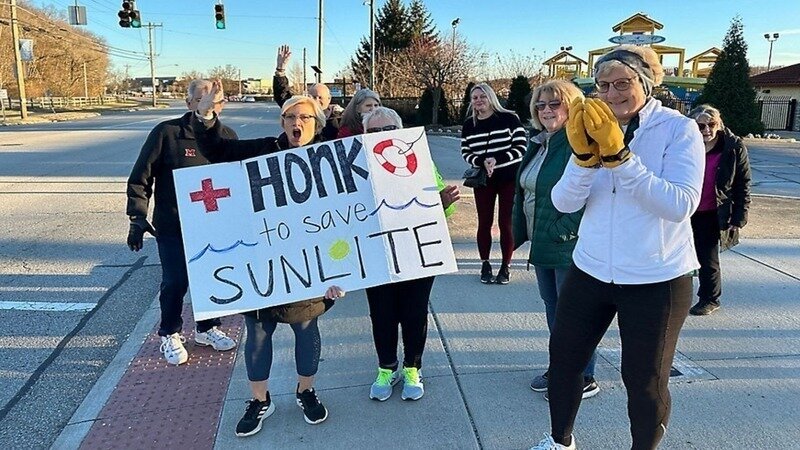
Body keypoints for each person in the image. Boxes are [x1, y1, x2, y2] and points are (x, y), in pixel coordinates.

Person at [529, 45, 704, 450]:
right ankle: (560, 441)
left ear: (645, 83)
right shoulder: (590, 124)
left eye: (622, 83)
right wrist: (584, 159)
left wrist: (621, 158)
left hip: (656, 276)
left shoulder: (678, 129)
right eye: (603, 85)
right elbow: (563, 202)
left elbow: (680, 205)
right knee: (564, 362)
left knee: (643, 381)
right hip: (590, 268)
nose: (611, 93)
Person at [190, 81, 345, 435]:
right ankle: (260, 400)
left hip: (308, 268)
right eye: (290, 117)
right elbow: (216, 149)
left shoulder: (330, 159)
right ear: (282, 122)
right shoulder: (262, 150)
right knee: (258, 334)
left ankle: (306, 391)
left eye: (305, 117)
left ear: (317, 123)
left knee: (306, 330)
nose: (297, 122)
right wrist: (207, 115)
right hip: (263, 266)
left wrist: (344, 270)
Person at [126, 79, 238, 366]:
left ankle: (207, 328)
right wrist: (137, 217)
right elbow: (141, 177)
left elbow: (237, 182)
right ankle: (170, 332)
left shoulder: (227, 136)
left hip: (212, 226)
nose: (209, 103)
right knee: (175, 281)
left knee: (210, 278)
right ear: (189, 103)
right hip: (173, 225)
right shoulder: (167, 133)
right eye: (202, 98)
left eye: (215, 99)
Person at [360, 107, 460, 402]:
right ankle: (386, 368)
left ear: (400, 131)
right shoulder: (356, 166)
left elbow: (443, 207)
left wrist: (443, 203)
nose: (382, 136)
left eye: (388, 130)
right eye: (374, 132)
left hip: (417, 250)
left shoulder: (420, 160)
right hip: (378, 252)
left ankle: (413, 368)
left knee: (414, 313)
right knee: (382, 314)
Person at [511, 80, 598, 399]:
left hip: (567, 243)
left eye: (554, 103)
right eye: (540, 105)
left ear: (572, 106)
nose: (546, 110)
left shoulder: (578, 143)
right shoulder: (540, 143)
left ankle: (583, 375)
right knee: (554, 309)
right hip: (544, 240)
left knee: (574, 314)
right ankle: (561, 366)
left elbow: (591, 192)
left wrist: (564, 230)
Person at [686, 105, 752, 316]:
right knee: (678, 256)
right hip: (683, 210)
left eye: (711, 124)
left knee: (707, 258)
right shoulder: (685, 144)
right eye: (701, 126)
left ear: (719, 124)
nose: (707, 130)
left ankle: (710, 298)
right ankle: (674, 296)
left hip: (712, 211)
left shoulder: (732, 147)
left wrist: (739, 215)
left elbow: (743, 183)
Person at [460, 82, 526, 284]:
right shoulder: (469, 125)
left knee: (506, 223)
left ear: (491, 98)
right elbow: (465, 151)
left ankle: (506, 266)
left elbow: (521, 147)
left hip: (508, 178)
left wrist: (497, 160)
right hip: (483, 180)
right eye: (475, 98)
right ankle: (485, 263)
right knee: (484, 222)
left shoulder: (509, 118)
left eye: (483, 96)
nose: (479, 100)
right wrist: (482, 161)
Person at [273, 44, 342, 139]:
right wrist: (280, 70)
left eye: (320, 97)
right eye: (312, 96)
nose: (316, 100)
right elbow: (283, 96)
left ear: (329, 99)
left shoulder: (340, 118)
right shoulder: (301, 109)